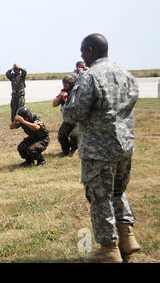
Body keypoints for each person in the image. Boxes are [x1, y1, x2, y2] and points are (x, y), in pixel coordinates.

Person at [63, 33, 140, 263]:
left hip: (99, 149)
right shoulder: (126, 75)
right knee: (118, 191)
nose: (81, 55)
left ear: (90, 50)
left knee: (100, 197)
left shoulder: (90, 78)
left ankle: (109, 248)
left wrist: (66, 105)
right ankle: (127, 237)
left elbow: (74, 112)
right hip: (124, 145)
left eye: (82, 51)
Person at [52, 75, 78, 156]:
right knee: (62, 135)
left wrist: (66, 99)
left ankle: (73, 149)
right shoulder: (63, 92)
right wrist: (60, 96)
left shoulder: (76, 92)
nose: (64, 85)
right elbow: (54, 104)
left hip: (78, 120)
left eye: (66, 83)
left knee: (74, 136)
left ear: (71, 83)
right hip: (67, 120)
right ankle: (65, 151)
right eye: (63, 83)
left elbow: (73, 106)